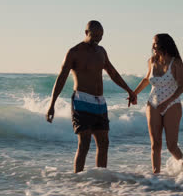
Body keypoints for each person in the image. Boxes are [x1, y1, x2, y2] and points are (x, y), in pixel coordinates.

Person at [46, 20, 137, 173]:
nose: (97, 39)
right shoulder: (74, 52)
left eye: (100, 36)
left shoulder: (101, 51)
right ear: (86, 33)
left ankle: (100, 180)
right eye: (94, 35)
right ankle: (78, 181)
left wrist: (129, 90)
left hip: (99, 102)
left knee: (104, 143)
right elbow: (61, 78)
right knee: (84, 144)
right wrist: (52, 104)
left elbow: (113, 73)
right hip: (81, 100)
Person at [131, 33, 183, 173]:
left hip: (172, 104)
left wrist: (166, 102)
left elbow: (181, 88)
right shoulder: (151, 61)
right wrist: (133, 94)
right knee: (155, 144)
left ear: (165, 44)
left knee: (171, 146)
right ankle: (156, 177)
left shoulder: (176, 63)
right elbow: (146, 80)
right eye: (153, 44)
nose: (153, 46)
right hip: (153, 103)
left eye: (156, 43)